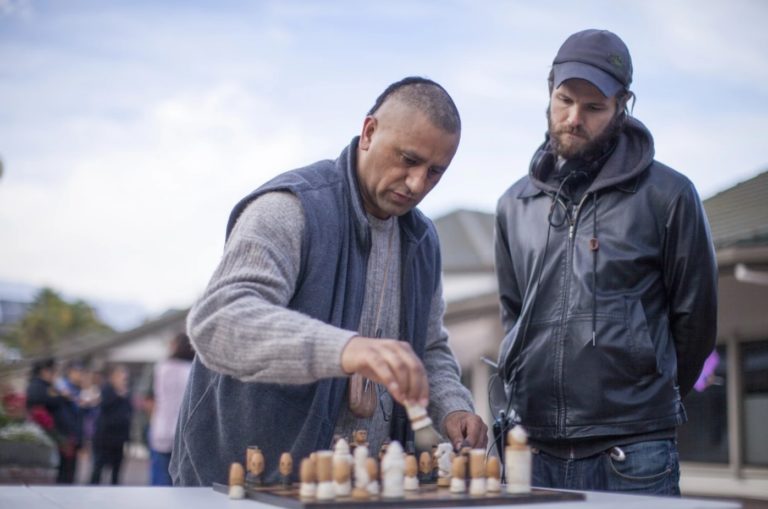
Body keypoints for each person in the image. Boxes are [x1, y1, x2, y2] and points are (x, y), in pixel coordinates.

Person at [171, 76, 488, 486]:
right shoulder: (290, 208)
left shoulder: (423, 240)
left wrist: (453, 408)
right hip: (250, 486)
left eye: (435, 172)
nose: (417, 184)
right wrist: (347, 349)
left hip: (363, 488)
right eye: (408, 160)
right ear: (369, 132)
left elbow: (429, 349)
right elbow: (219, 322)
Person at [493, 29, 717, 495]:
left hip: (634, 454)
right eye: (565, 100)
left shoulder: (670, 196)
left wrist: (645, 402)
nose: (574, 118)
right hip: (532, 451)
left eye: (594, 107)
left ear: (622, 106)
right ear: (549, 93)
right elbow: (513, 317)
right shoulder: (514, 204)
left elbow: (695, 322)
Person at [148, 333, 194, 485]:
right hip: (183, 431)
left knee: (159, 479)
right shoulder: (192, 370)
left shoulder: (162, 367)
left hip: (160, 427)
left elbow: (154, 397)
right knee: (181, 480)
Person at [25, 358, 80, 484]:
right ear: (44, 371)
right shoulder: (37, 386)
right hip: (53, 436)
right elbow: (40, 405)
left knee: (66, 471)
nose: (55, 375)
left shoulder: (50, 387)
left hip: (61, 435)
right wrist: (61, 396)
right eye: (53, 371)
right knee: (61, 473)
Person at [90, 364, 133, 485]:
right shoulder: (106, 390)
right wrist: (117, 395)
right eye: (120, 376)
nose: (123, 380)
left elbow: (129, 414)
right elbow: (103, 405)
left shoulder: (127, 394)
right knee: (98, 468)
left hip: (119, 439)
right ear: (113, 377)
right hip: (104, 438)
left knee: (116, 471)